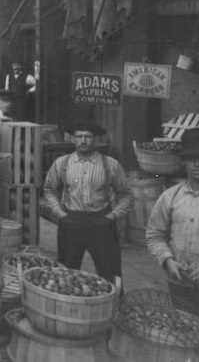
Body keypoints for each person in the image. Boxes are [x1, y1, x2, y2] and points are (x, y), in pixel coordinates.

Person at [42, 120, 132, 283]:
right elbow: (49, 190)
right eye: (79, 136)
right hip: (71, 222)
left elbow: (126, 195)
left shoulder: (111, 165)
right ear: (72, 139)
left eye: (88, 137)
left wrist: (111, 217)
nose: (83, 140)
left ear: (96, 139)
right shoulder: (62, 163)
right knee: (66, 274)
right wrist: (60, 214)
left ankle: (114, 306)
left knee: (110, 272)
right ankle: (68, 305)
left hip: (102, 223)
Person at [145, 128, 199, 328]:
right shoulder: (170, 197)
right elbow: (154, 235)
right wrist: (168, 261)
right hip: (179, 284)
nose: (198, 163)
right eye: (192, 158)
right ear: (183, 162)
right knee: (185, 333)